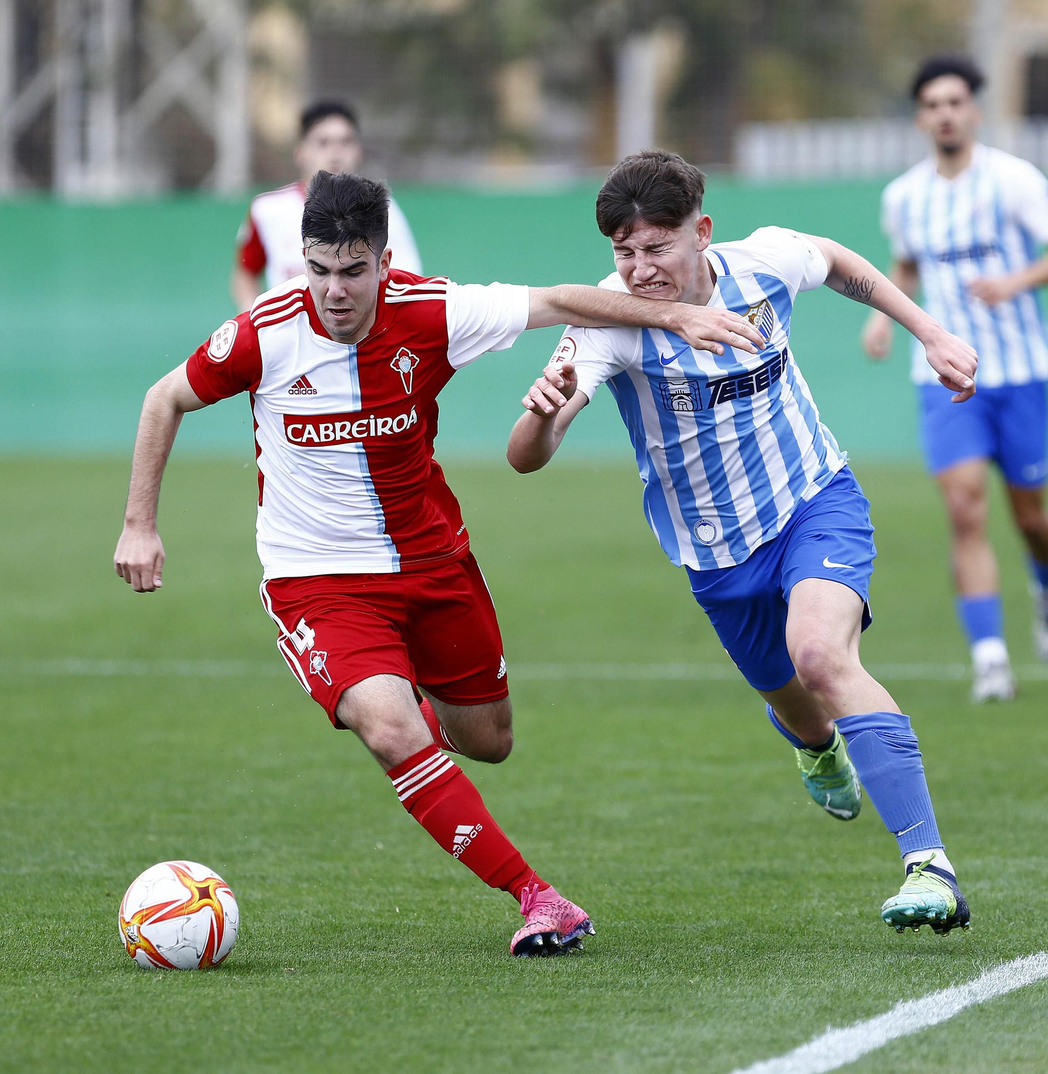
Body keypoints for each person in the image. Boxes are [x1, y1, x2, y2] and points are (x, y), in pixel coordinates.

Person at [116, 170, 761, 956]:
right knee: (389, 728)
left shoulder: (435, 310)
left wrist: (677, 316)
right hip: (315, 581)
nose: (334, 290)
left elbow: (560, 300)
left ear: (385, 262)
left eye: (353, 271)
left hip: (433, 563)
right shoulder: (264, 331)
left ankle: (406, 711)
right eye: (318, 270)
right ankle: (538, 896)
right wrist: (138, 525)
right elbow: (163, 399)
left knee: (488, 740)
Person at [507, 150, 981, 935]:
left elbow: (836, 261)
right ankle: (814, 745)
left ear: (702, 231)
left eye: (657, 247)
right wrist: (541, 412)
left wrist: (929, 331)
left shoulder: (760, 265)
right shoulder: (607, 320)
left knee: (824, 654)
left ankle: (929, 865)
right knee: (800, 706)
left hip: (814, 502)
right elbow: (529, 456)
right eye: (624, 252)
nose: (639, 268)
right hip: (718, 558)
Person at [861, 56, 1048, 703]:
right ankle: (990, 659)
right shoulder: (904, 197)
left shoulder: (1012, 180)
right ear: (920, 118)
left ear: (975, 111)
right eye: (933, 104)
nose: (945, 114)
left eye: (955, 102)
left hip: (1019, 374)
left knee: (1031, 517)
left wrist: (1015, 282)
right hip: (944, 376)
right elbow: (904, 266)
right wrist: (884, 319)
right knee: (964, 507)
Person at [231, 100, 422, 312]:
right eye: (323, 142)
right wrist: (254, 318)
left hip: (355, 334)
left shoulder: (380, 209)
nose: (335, 152)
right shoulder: (267, 210)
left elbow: (405, 278)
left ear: (358, 151)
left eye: (345, 142)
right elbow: (247, 271)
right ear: (300, 152)